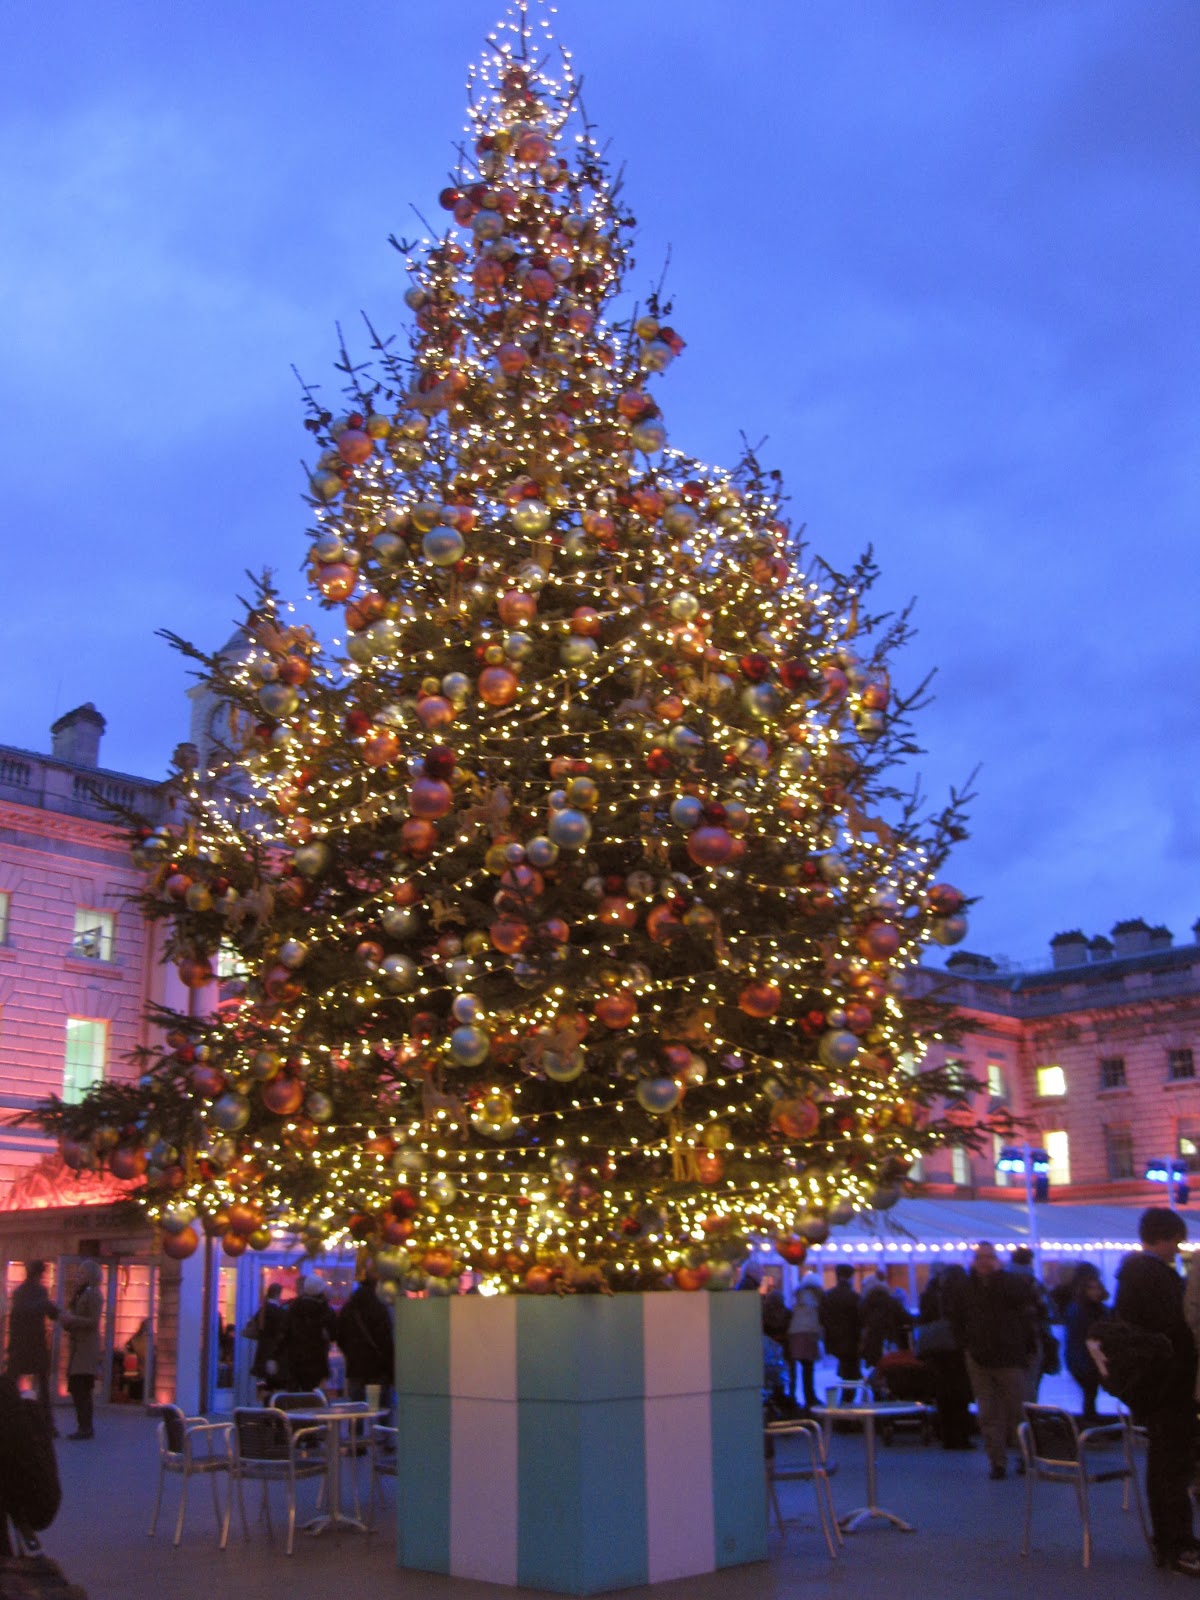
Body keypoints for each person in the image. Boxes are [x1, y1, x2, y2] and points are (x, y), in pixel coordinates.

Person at [1114, 1207, 1198, 1576]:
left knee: (1164, 1465)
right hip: (1169, 1384)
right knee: (1172, 1466)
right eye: (1175, 1241)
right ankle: (1177, 1542)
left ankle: (1168, 1541)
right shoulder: (1153, 1276)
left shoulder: (1131, 1274)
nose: (1177, 1250)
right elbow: (1177, 1325)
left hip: (1153, 1385)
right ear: (1163, 1237)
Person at [945, 1241, 1037, 1479]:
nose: (984, 1262)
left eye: (988, 1257)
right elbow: (956, 1317)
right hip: (984, 1354)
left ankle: (1018, 1456)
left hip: (1003, 1354)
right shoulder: (968, 1288)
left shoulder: (1006, 1285)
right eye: (980, 1258)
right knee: (991, 1411)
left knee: (1013, 1409)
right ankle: (999, 1460)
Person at [917, 1264, 973, 1450]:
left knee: (943, 1393)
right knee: (960, 1394)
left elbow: (923, 1318)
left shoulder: (929, 1294)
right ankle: (961, 1435)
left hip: (935, 1349)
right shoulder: (962, 1294)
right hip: (956, 1347)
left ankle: (945, 1434)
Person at [3, 1262, 58, 1436]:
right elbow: (49, 1310)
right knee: (42, 1386)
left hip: (19, 1346)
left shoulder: (19, 1292)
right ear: (39, 1274)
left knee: (11, 1384)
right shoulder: (40, 1292)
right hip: (35, 1344)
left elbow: (14, 1319)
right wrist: (58, 1313)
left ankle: (7, 1420)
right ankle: (47, 1425)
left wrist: (10, 1347)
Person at [335, 1271, 395, 1408]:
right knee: (382, 1408)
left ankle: (357, 1429)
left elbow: (340, 1336)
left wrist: (351, 1353)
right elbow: (386, 1338)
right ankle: (379, 1429)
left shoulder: (351, 1306)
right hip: (380, 1367)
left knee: (357, 1408)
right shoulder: (381, 1305)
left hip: (356, 1367)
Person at [59, 1260, 103, 1441]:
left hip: (86, 1349)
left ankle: (86, 1427)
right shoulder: (79, 1294)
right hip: (77, 1347)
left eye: (82, 1274)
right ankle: (83, 1426)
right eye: (78, 1274)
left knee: (81, 1387)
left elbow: (93, 1321)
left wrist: (73, 1319)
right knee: (78, 1388)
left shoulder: (93, 1295)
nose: (78, 1277)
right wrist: (67, 1321)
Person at [1063, 1263, 1108, 1423]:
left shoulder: (1080, 1309)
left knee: (1090, 1394)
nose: (1095, 1292)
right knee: (1090, 1392)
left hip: (1084, 1358)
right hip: (1085, 1359)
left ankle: (1090, 1422)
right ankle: (1090, 1422)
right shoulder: (1088, 1311)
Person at [1009, 1246, 1053, 1404]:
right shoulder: (1032, 1283)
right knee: (1030, 1385)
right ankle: (1029, 1420)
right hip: (1031, 1339)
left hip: (1006, 1341)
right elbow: (1046, 1311)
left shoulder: (1002, 1282)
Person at [280, 1276, 337, 1393]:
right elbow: (334, 1333)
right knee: (312, 1393)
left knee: (294, 1395)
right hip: (316, 1360)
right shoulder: (325, 1310)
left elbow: (284, 1334)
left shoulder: (294, 1308)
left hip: (294, 1360)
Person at [785, 1271, 823, 1413]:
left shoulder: (799, 1298)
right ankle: (810, 1398)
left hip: (795, 1334)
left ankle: (795, 1397)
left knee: (798, 1369)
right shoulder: (813, 1301)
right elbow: (814, 1322)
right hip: (808, 1334)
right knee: (808, 1368)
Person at [819, 1264, 862, 1381]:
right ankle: (846, 1398)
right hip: (851, 1341)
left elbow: (822, 1318)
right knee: (851, 1375)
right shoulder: (855, 1297)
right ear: (851, 1277)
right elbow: (860, 1319)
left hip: (834, 1339)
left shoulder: (828, 1296)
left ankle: (844, 1397)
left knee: (846, 1372)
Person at [244, 1283, 287, 1397]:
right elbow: (281, 1331)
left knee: (267, 1383)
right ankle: (272, 1406)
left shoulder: (263, 1310)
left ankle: (266, 1403)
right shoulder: (278, 1311)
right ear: (278, 1294)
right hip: (274, 1351)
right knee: (274, 1383)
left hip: (263, 1349)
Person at [860, 1271, 905, 1369]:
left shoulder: (865, 1304)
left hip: (872, 1342)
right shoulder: (893, 1302)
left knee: (875, 1367)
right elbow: (905, 1319)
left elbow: (860, 1322)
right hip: (890, 1341)